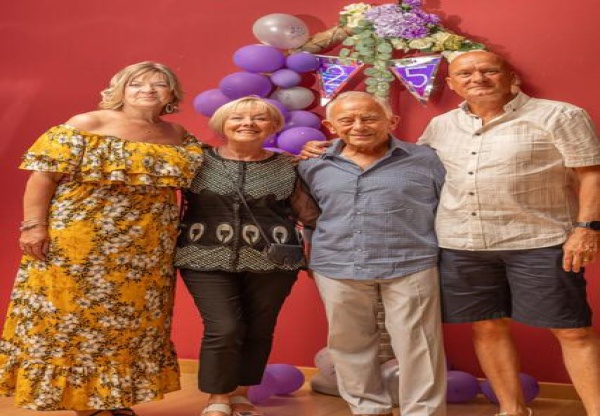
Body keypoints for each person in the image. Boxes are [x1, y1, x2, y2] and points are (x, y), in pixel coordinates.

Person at [0, 61, 203, 416]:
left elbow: (219, 171)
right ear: (121, 89)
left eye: (159, 84)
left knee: (131, 323)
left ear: (171, 94)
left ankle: (113, 397)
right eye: (137, 83)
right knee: (75, 319)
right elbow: (42, 178)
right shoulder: (87, 123)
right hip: (81, 240)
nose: (147, 90)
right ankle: (83, 400)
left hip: (147, 249)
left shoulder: (178, 135)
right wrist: (33, 225)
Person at [418, 50, 600, 416]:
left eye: (488, 70)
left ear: (509, 75)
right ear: (452, 84)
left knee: (573, 330)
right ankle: (511, 409)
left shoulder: (560, 115)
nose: (477, 78)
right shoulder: (440, 126)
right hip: (461, 243)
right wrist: (332, 149)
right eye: (465, 73)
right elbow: (410, 167)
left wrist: (587, 228)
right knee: (487, 327)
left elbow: (591, 173)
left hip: (541, 240)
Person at [298, 91, 447, 416]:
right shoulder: (312, 164)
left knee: (419, 346)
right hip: (336, 264)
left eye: (369, 118)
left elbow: (450, 209)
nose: (359, 126)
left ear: (391, 122)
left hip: (411, 263)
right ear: (331, 126)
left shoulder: (427, 160)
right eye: (347, 120)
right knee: (349, 346)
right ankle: (368, 410)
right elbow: (306, 214)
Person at [174, 96, 319, 416]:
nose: (248, 123)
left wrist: (321, 164)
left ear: (274, 127)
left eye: (259, 118)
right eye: (237, 117)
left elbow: (308, 215)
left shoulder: (289, 166)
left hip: (275, 260)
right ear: (221, 124)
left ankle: (241, 395)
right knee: (223, 326)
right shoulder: (196, 161)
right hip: (203, 256)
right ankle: (217, 397)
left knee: (259, 327)